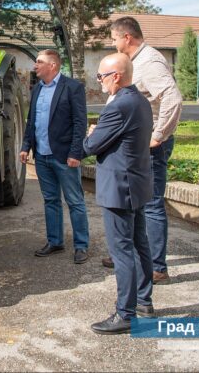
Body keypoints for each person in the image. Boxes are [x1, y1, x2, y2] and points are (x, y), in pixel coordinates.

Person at [107, 16, 183, 284]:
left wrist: (159, 136)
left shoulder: (149, 62)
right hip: (135, 145)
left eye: (114, 38)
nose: (113, 43)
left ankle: (157, 267)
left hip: (150, 147)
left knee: (150, 206)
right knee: (136, 203)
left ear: (127, 37)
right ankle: (128, 255)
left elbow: (172, 98)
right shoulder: (134, 61)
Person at [83, 53, 154, 334]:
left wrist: (94, 132)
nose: (98, 82)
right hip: (136, 184)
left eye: (101, 76)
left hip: (118, 188)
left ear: (116, 76)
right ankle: (144, 301)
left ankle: (125, 313)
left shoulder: (118, 107)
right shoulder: (140, 101)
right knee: (140, 245)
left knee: (122, 250)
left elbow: (90, 147)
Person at [20, 49, 89, 264]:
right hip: (42, 155)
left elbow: (80, 123)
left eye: (39, 62)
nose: (35, 66)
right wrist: (25, 146)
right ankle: (55, 241)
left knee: (75, 201)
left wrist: (75, 153)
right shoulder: (37, 89)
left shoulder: (73, 87)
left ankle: (81, 246)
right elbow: (31, 121)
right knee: (50, 200)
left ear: (53, 65)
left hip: (64, 156)